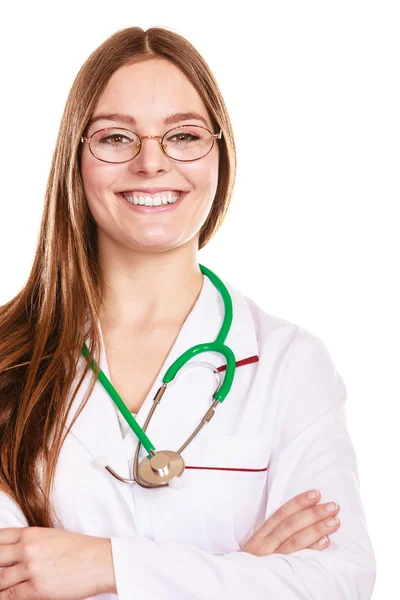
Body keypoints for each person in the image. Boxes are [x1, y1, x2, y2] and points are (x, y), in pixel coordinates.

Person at [0, 26, 376, 600]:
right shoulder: (7, 358)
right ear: (75, 159)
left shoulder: (289, 367)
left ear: (219, 156)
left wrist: (109, 566)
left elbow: (338, 584)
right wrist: (242, 570)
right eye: (116, 138)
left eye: (183, 135)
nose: (152, 162)